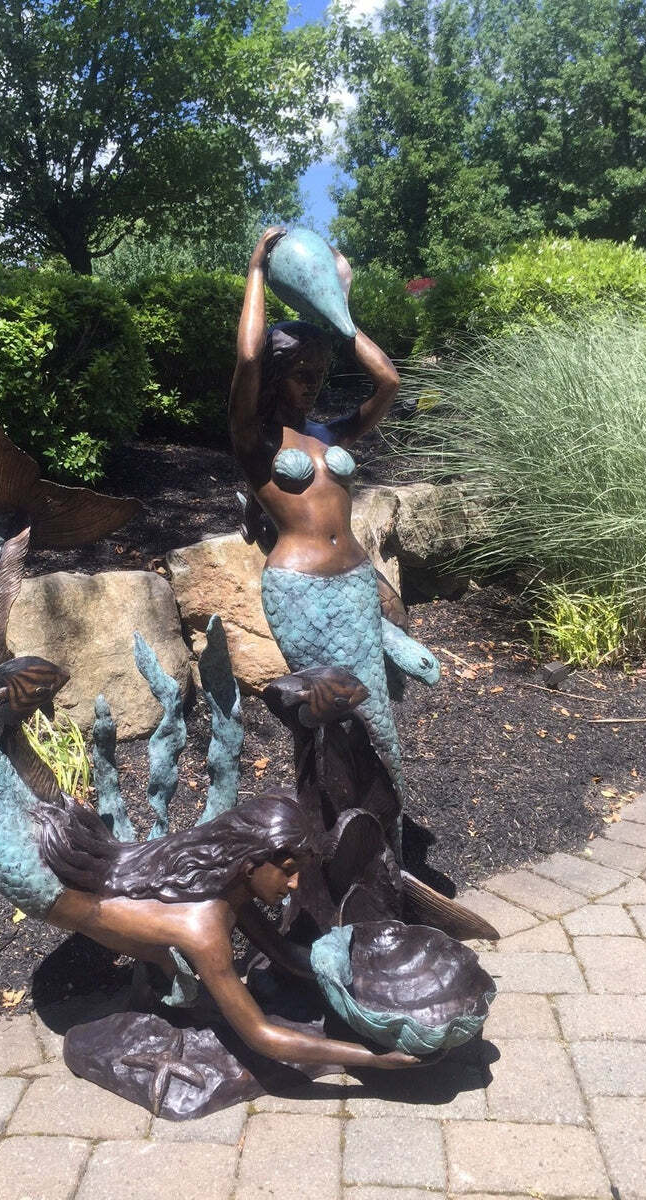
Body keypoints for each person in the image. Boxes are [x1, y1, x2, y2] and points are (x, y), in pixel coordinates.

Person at [228, 227, 438, 823]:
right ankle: (327, 828)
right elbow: (248, 357)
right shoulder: (256, 440)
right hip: (301, 591)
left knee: (378, 720)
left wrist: (341, 323)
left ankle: (377, 839)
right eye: (302, 372)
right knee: (333, 712)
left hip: (355, 581)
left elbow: (388, 382)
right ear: (277, 377)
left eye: (320, 373)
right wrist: (257, 271)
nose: (314, 383)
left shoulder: (328, 433)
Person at [33, 789, 419, 1070]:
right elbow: (261, 1037)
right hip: (64, 901)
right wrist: (373, 1058)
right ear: (250, 866)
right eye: (288, 871)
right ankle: (156, 1001)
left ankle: (162, 983)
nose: (297, 884)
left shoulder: (228, 890)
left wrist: (360, 978)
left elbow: (282, 953)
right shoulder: (204, 932)